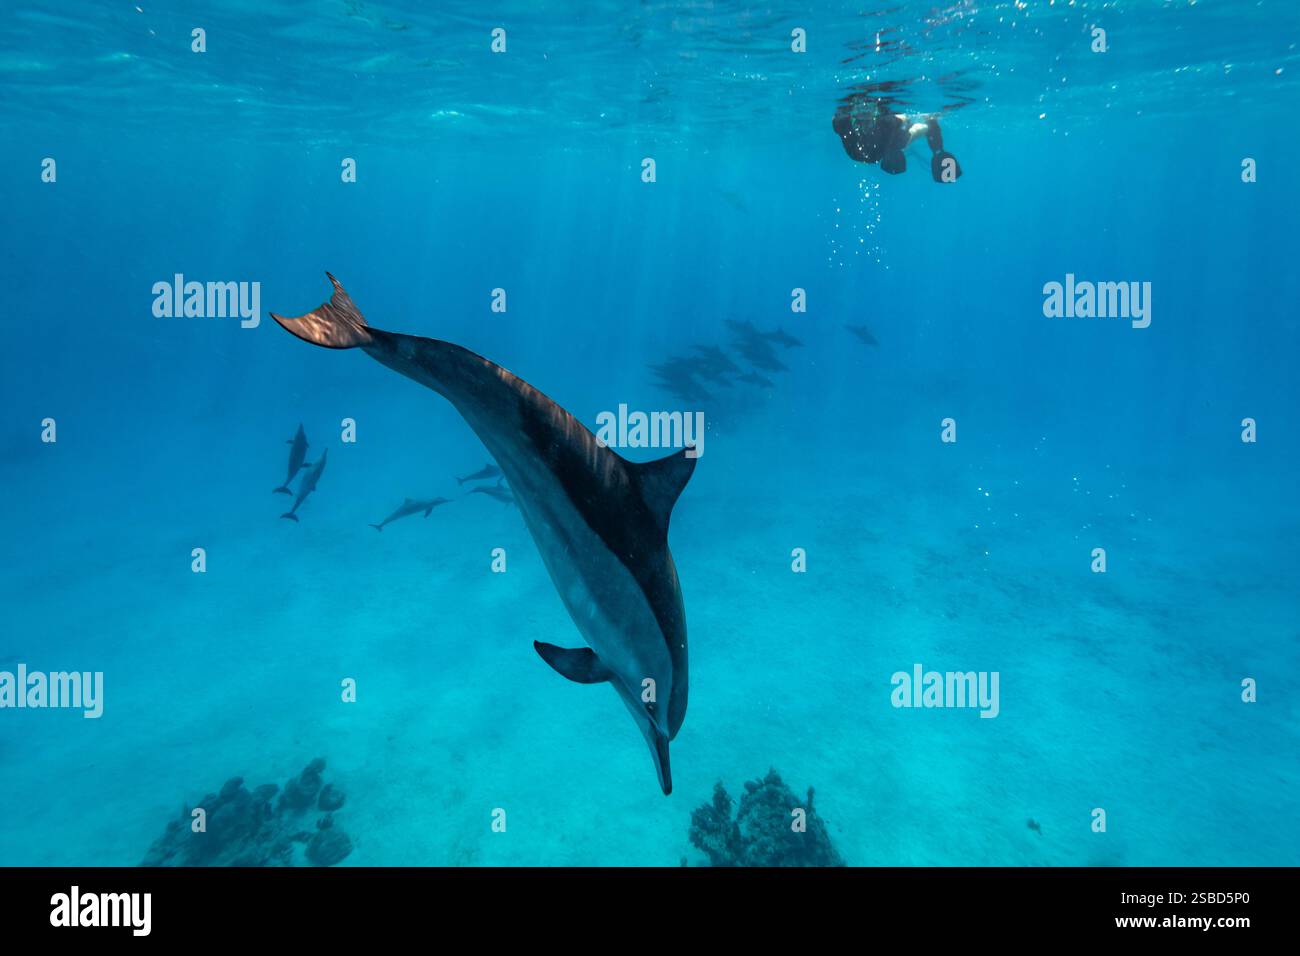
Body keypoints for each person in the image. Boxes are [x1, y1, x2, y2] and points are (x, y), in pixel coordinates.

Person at [832, 97, 962, 182]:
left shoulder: (888, 124)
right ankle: (934, 144)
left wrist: (926, 118)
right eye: (861, 114)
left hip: (887, 146)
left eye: (868, 112)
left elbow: (905, 119)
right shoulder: (842, 123)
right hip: (865, 153)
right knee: (907, 136)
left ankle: (935, 143)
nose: (865, 115)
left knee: (918, 129)